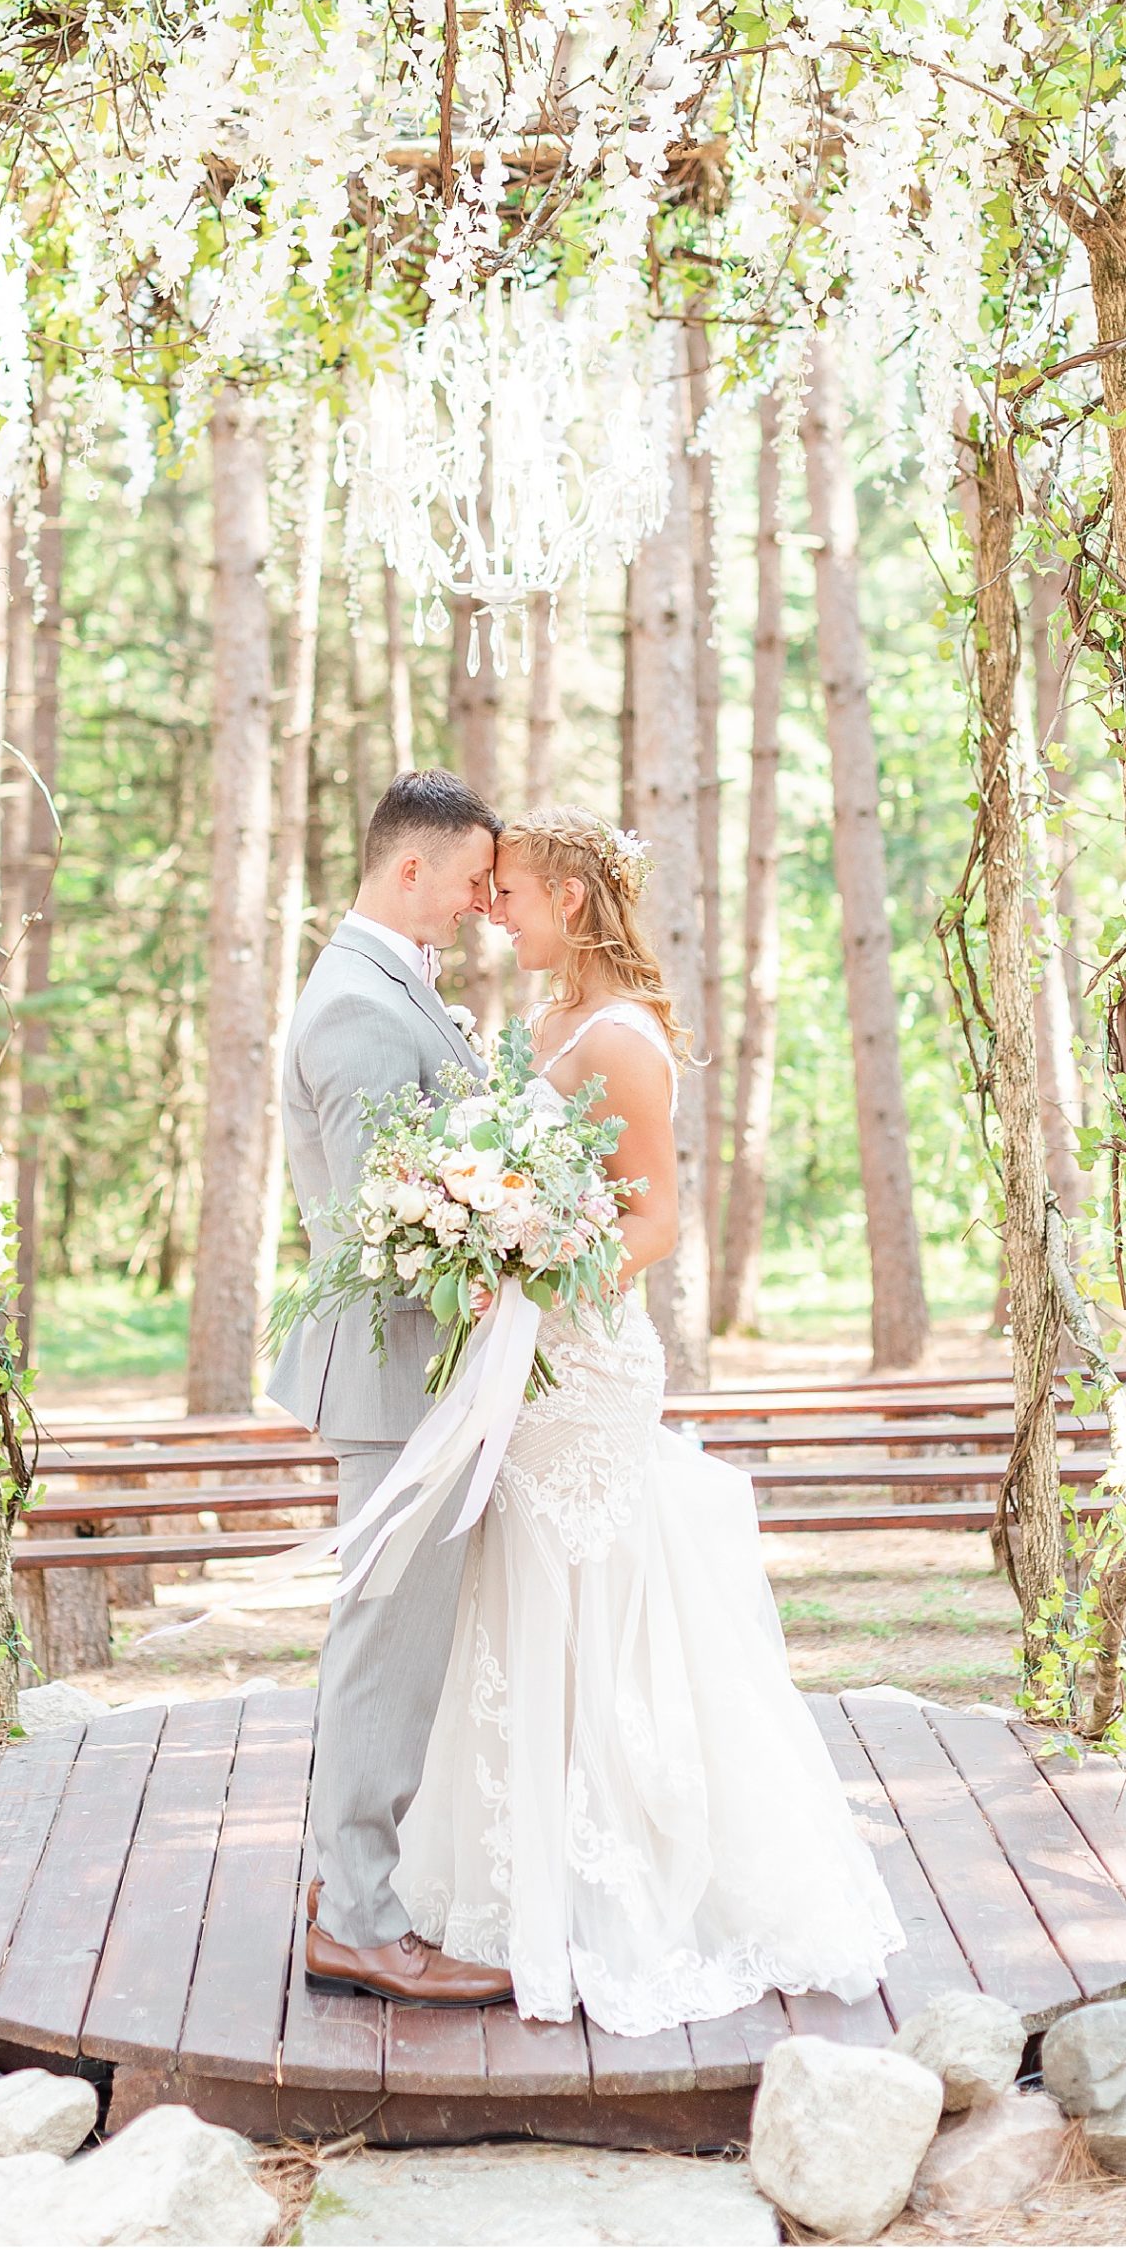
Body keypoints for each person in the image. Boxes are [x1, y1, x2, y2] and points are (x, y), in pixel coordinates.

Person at [389, 804, 908, 2036]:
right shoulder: (538, 1021)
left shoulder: (621, 1038)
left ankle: (628, 1883)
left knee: (599, 1601)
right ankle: (522, 1877)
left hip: (587, 1359)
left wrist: (536, 1275)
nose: (491, 909)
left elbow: (657, 1218)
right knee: (517, 1602)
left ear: (568, 898)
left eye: (507, 891)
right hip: (526, 1352)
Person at [270, 768, 516, 2009]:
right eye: (473, 879)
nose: (482, 903)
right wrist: (513, 1250)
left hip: (421, 1372)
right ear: (407, 867)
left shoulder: (389, 982)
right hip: (400, 1378)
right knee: (387, 1649)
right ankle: (360, 1922)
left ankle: (344, 1887)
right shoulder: (361, 1007)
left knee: (396, 1638)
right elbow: (389, 1223)